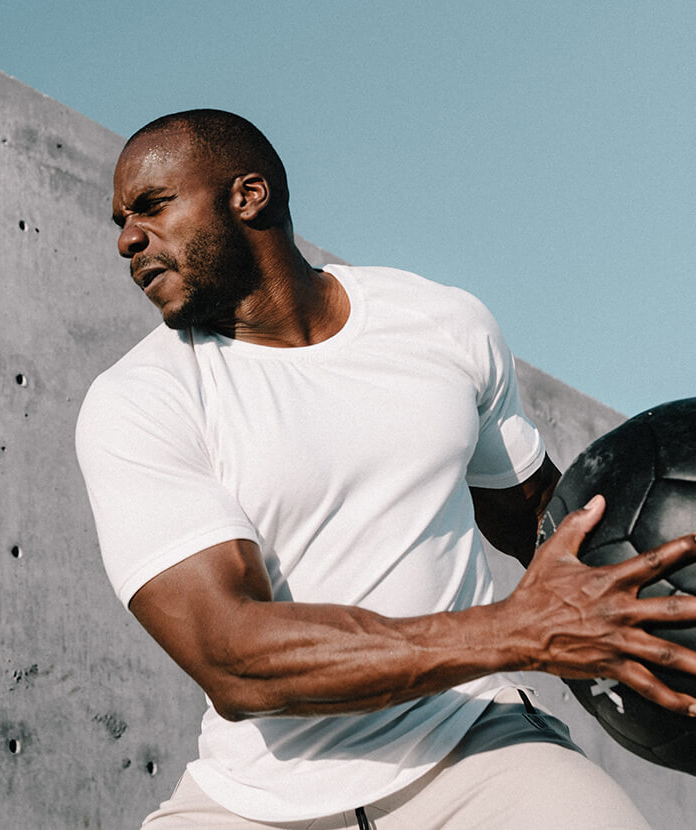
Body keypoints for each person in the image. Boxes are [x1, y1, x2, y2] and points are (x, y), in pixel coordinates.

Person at [76, 109, 696, 829]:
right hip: (257, 796)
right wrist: (515, 631)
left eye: (152, 207)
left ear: (249, 196)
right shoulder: (139, 400)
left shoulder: (441, 324)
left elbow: (550, 526)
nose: (127, 240)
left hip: (472, 745)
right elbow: (232, 657)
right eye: (121, 222)